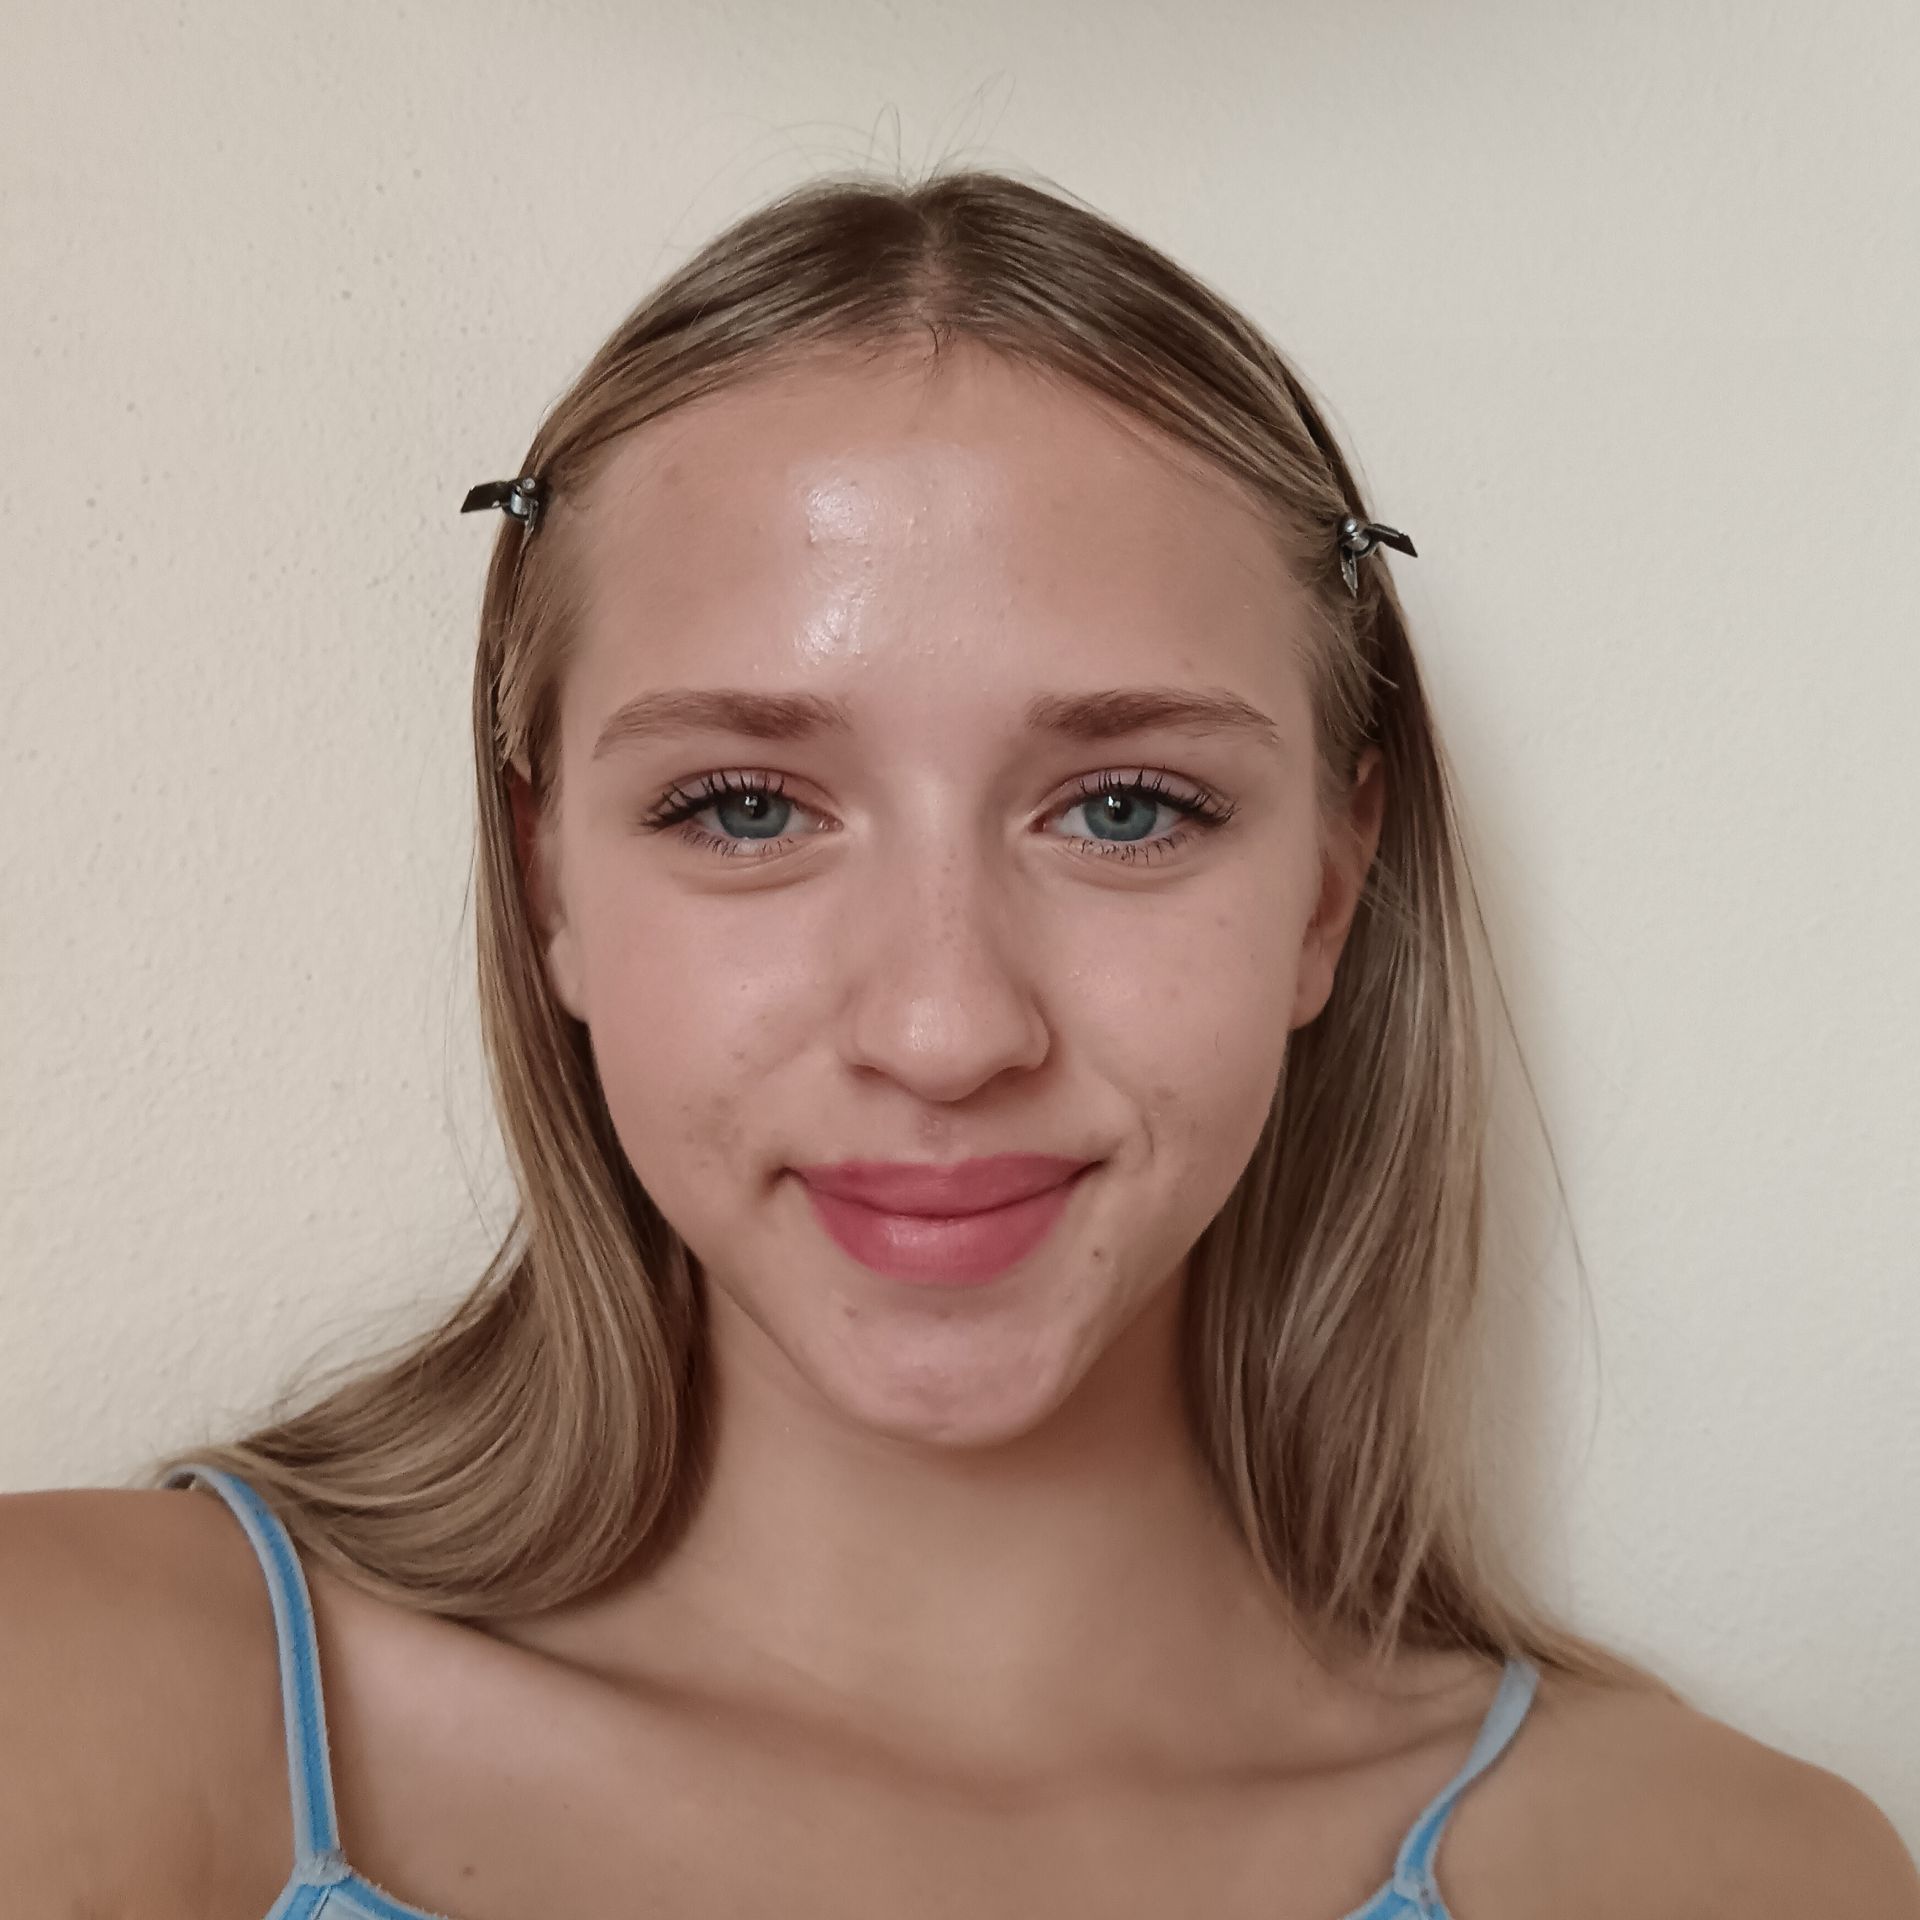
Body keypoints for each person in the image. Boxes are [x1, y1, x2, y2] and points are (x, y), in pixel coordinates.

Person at [2, 167, 1914, 1920]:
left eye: (1127, 809)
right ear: (549, 881)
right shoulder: (74, 1702)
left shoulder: (1729, 1875)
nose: (943, 1030)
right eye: (746, 806)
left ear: (1331, 890)